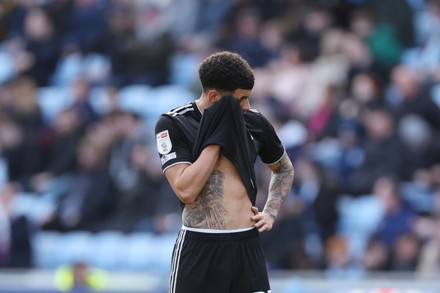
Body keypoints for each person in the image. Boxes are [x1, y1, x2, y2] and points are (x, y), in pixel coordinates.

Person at [154, 51, 294, 293]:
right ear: (214, 97)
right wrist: (218, 136)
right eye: (241, 99)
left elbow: (283, 168)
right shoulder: (174, 123)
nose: (247, 106)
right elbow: (185, 190)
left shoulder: (254, 121)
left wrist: (270, 212)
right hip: (200, 248)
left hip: (246, 246)